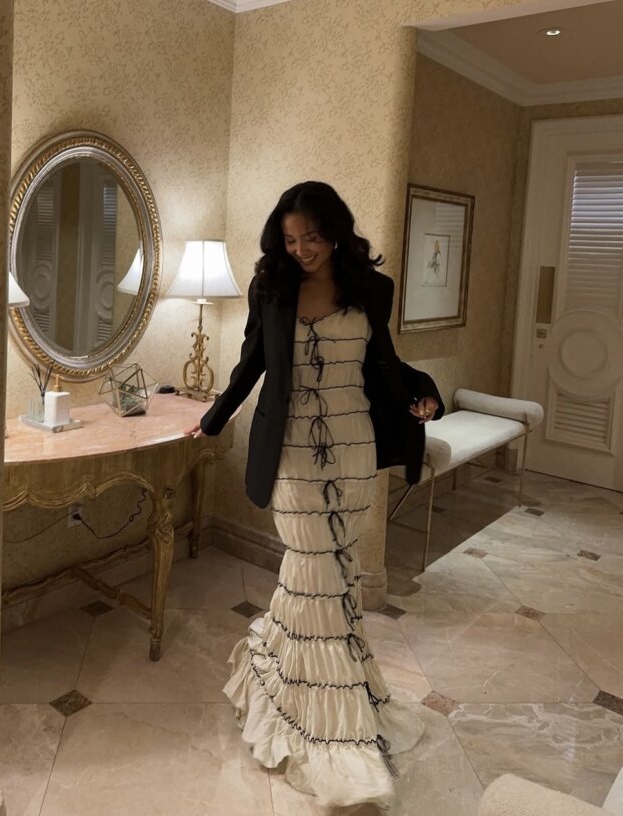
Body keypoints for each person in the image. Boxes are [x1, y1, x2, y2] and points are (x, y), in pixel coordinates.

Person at [186, 181, 444, 811]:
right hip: (293, 452)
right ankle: (330, 726)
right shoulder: (269, 286)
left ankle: (298, 681)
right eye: (292, 238)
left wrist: (426, 393)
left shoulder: (371, 290)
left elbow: (385, 364)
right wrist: (214, 418)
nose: (302, 249)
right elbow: (252, 362)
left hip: (355, 449)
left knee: (332, 572)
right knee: (315, 569)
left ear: (336, 233)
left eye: (314, 238)